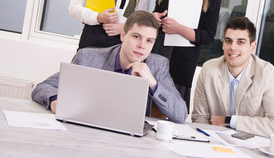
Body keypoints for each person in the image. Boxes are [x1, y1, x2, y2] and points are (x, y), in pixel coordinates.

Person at [32, 11, 187, 124]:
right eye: (136, 37)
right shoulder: (88, 57)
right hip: (88, 128)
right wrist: (54, 100)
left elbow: (180, 114)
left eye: (149, 41)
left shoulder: (157, 65)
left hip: (130, 137)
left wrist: (153, 83)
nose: (142, 46)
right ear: (123, 36)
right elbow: (43, 87)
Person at [151, 0, 221, 110]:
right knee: (147, 111)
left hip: (182, 65)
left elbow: (207, 36)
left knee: (172, 113)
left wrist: (179, 29)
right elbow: (155, 19)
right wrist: (154, 17)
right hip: (157, 56)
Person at [192, 16, 274, 137]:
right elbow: (199, 118)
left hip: (252, 146)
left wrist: (229, 121)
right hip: (215, 143)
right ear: (223, 44)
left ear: (252, 46)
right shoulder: (209, 69)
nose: (233, 47)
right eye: (228, 41)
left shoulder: (266, 73)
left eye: (240, 42)